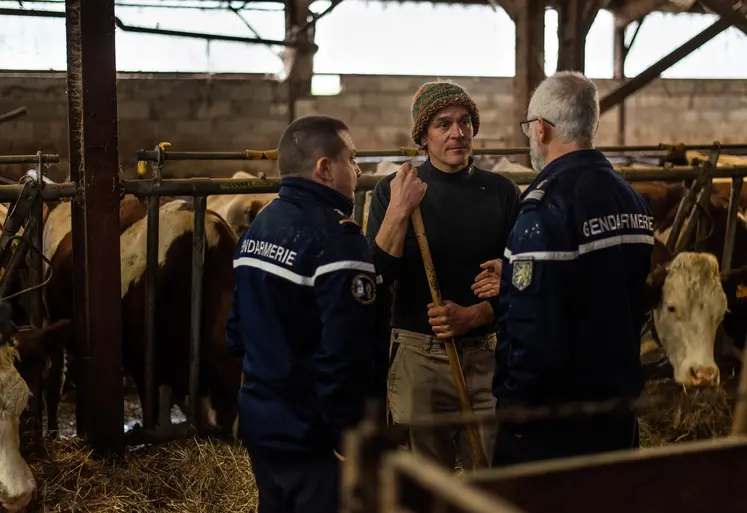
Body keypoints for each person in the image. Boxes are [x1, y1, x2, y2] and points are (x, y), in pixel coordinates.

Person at [491, 71, 654, 466]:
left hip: (556, 422)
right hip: (617, 409)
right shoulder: (631, 199)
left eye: (529, 127)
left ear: (542, 130)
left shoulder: (546, 208)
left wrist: (514, 408)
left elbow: (535, 334)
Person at [226, 115, 386, 513]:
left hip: (262, 421)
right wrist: (344, 434)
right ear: (325, 168)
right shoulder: (338, 240)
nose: (358, 169)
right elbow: (346, 353)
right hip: (313, 433)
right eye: (352, 158)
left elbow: (236, 333)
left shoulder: (258, 227)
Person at [365, 81, 521, 469]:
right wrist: (400, 211)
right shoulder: (396, 190)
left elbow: (522, 282)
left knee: (491, 479)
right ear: (422, 137)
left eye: (465, 121)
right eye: (443, 123)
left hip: (485, 355)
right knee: (425, 486)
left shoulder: (502, 192)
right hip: (419, 356)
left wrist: (476, 314)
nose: (458, 132)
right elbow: (377, 277)